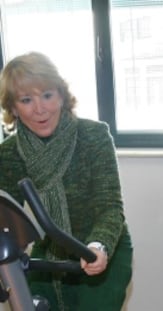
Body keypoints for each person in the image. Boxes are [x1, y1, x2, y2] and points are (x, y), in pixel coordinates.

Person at [0, 52, 133, 310]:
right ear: (13, 108)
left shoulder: (94, 135)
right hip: (50, 251)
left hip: (101, 248)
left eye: (47, 95)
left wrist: (99, 245)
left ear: (61, 96)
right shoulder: (9, 153)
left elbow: (109, 206)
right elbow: (5, 217)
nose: (40, 109)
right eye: (26, 100)